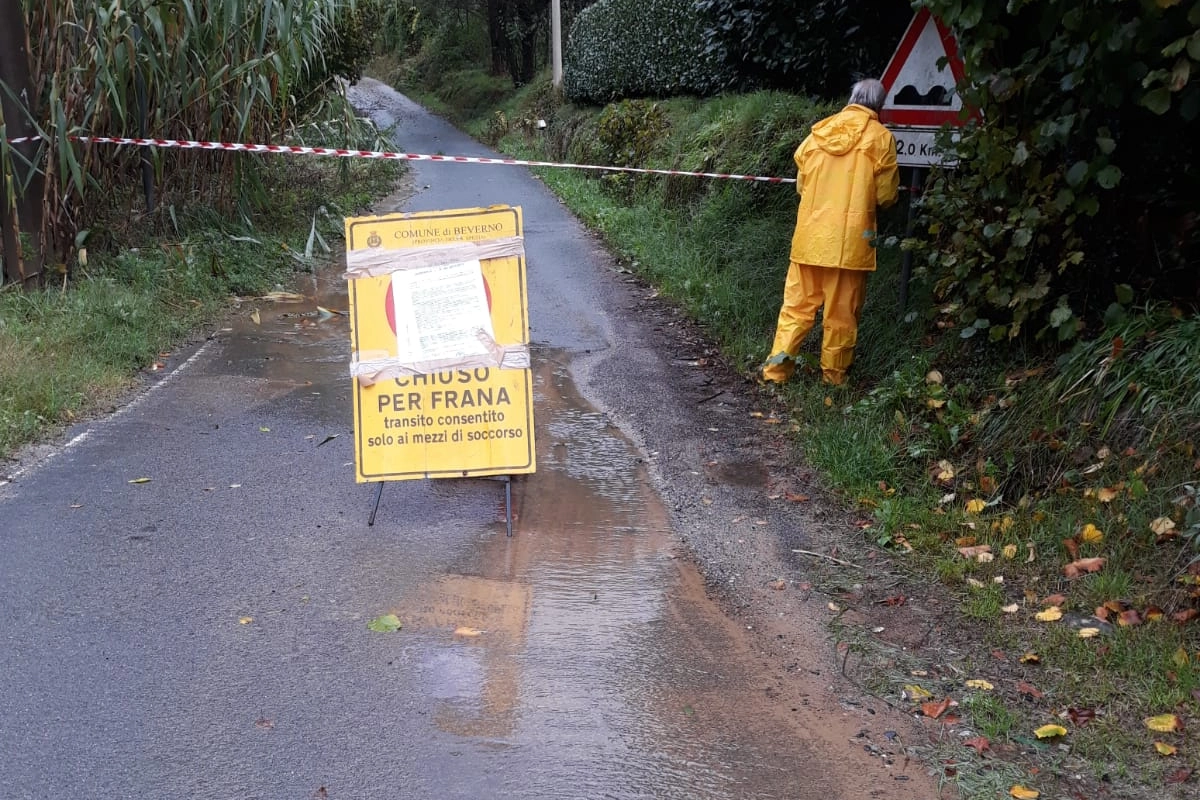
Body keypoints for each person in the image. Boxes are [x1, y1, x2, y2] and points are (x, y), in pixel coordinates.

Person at [761, 78, 899, 386]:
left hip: (810, 239)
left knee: (795, 310)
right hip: (849, 246)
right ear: (879, 105)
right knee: (841, 318)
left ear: (851, 98)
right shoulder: (881, 139)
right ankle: (833, 381)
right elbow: (886, 196)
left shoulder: (818, 133)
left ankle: (775, 374)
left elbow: (801, 185)